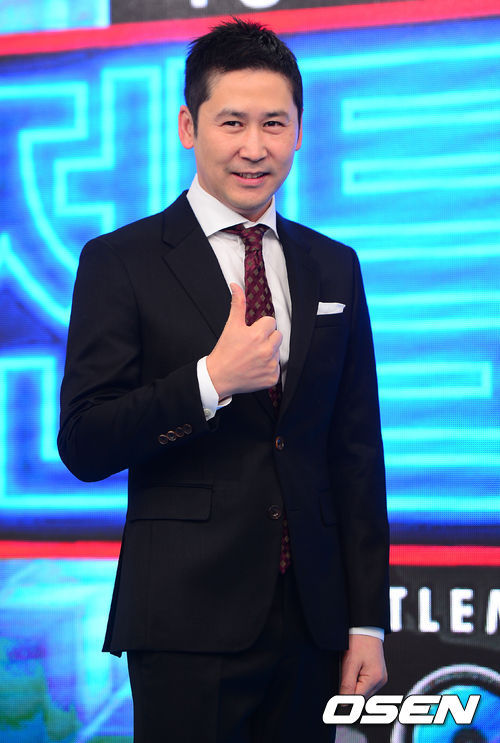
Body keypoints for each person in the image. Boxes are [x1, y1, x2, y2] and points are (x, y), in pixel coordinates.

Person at [58, 18, 390, 743]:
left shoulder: (334, 265)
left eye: (274, 123)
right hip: (185, 618)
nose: (254, 146)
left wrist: (366, 620)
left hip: (313, 622)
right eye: (232, 122)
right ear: (189, 126)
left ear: (299, 132)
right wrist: (210, 380)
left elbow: (356, 453)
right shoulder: (121, 261)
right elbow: (84, 441)